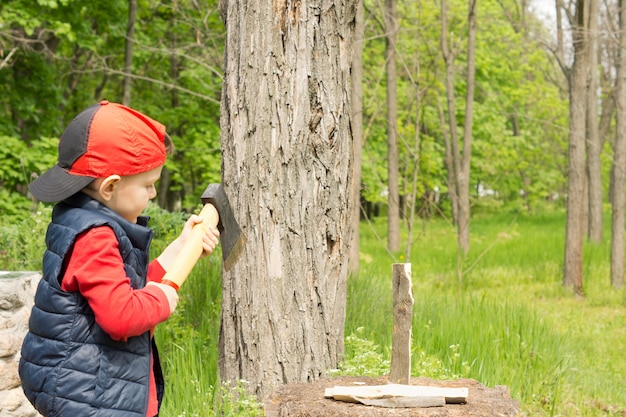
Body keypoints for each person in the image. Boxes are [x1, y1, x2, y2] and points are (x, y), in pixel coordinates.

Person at [18, 100, 220, 417]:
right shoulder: (95, 236)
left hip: (86, 382)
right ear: (111, 186)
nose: (153, 195)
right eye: (148, 185)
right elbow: (121, 315)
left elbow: (124, 288)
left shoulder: (82, 219)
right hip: (89, 395)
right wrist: (165, 296)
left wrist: (182, 247)